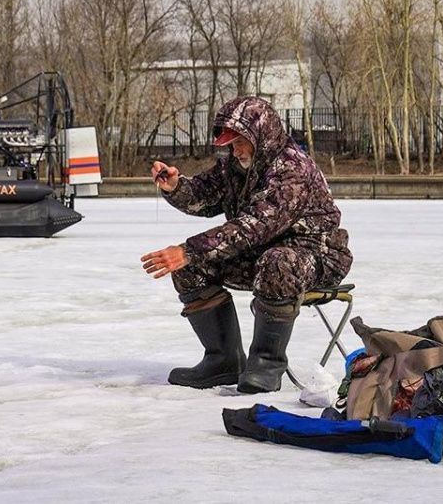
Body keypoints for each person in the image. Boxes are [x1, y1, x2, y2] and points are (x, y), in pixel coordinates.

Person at [140, 96, 352, 394]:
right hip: (261, 252)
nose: (236, 149)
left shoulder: (292, 170)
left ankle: (266, 364)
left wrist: (188, 250)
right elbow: (204, 194)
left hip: (316, 255)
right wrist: (176, 186)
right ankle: (223, 361)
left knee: (277, 262)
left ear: (261, 137)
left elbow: (254, 226)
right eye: (232, 143)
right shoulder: (234, 166)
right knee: (193, 267)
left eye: (241, 142)